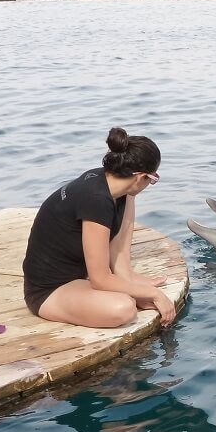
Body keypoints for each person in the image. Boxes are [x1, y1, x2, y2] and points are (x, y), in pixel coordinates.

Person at [22, 127, 177, 329]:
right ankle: (123, 290)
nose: (151, 184)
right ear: (140, 177)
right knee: (124, 308)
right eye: (153, 179)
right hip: (48, 290)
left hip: (75, 279)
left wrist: (128, 280)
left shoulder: (109, 183)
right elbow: (100, 279)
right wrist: (153, 294)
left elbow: (118, 240)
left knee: (129, 195)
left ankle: (125, 278)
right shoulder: (96, 201)